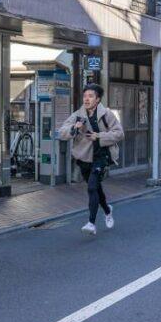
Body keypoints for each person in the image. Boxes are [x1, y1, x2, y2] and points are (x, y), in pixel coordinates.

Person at [57, 84, 124, 236]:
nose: (86, 99)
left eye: (91, 96)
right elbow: (62, 132)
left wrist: (98, 136)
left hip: (101, 156)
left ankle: (91, 224)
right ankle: (107, 210)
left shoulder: (107, 114)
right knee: (96, 188)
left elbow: (119, 133)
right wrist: (74, 128)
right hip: (84, 158)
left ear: (98, 99)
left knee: (92, 188)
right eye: (85, 96)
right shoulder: (78, 115)